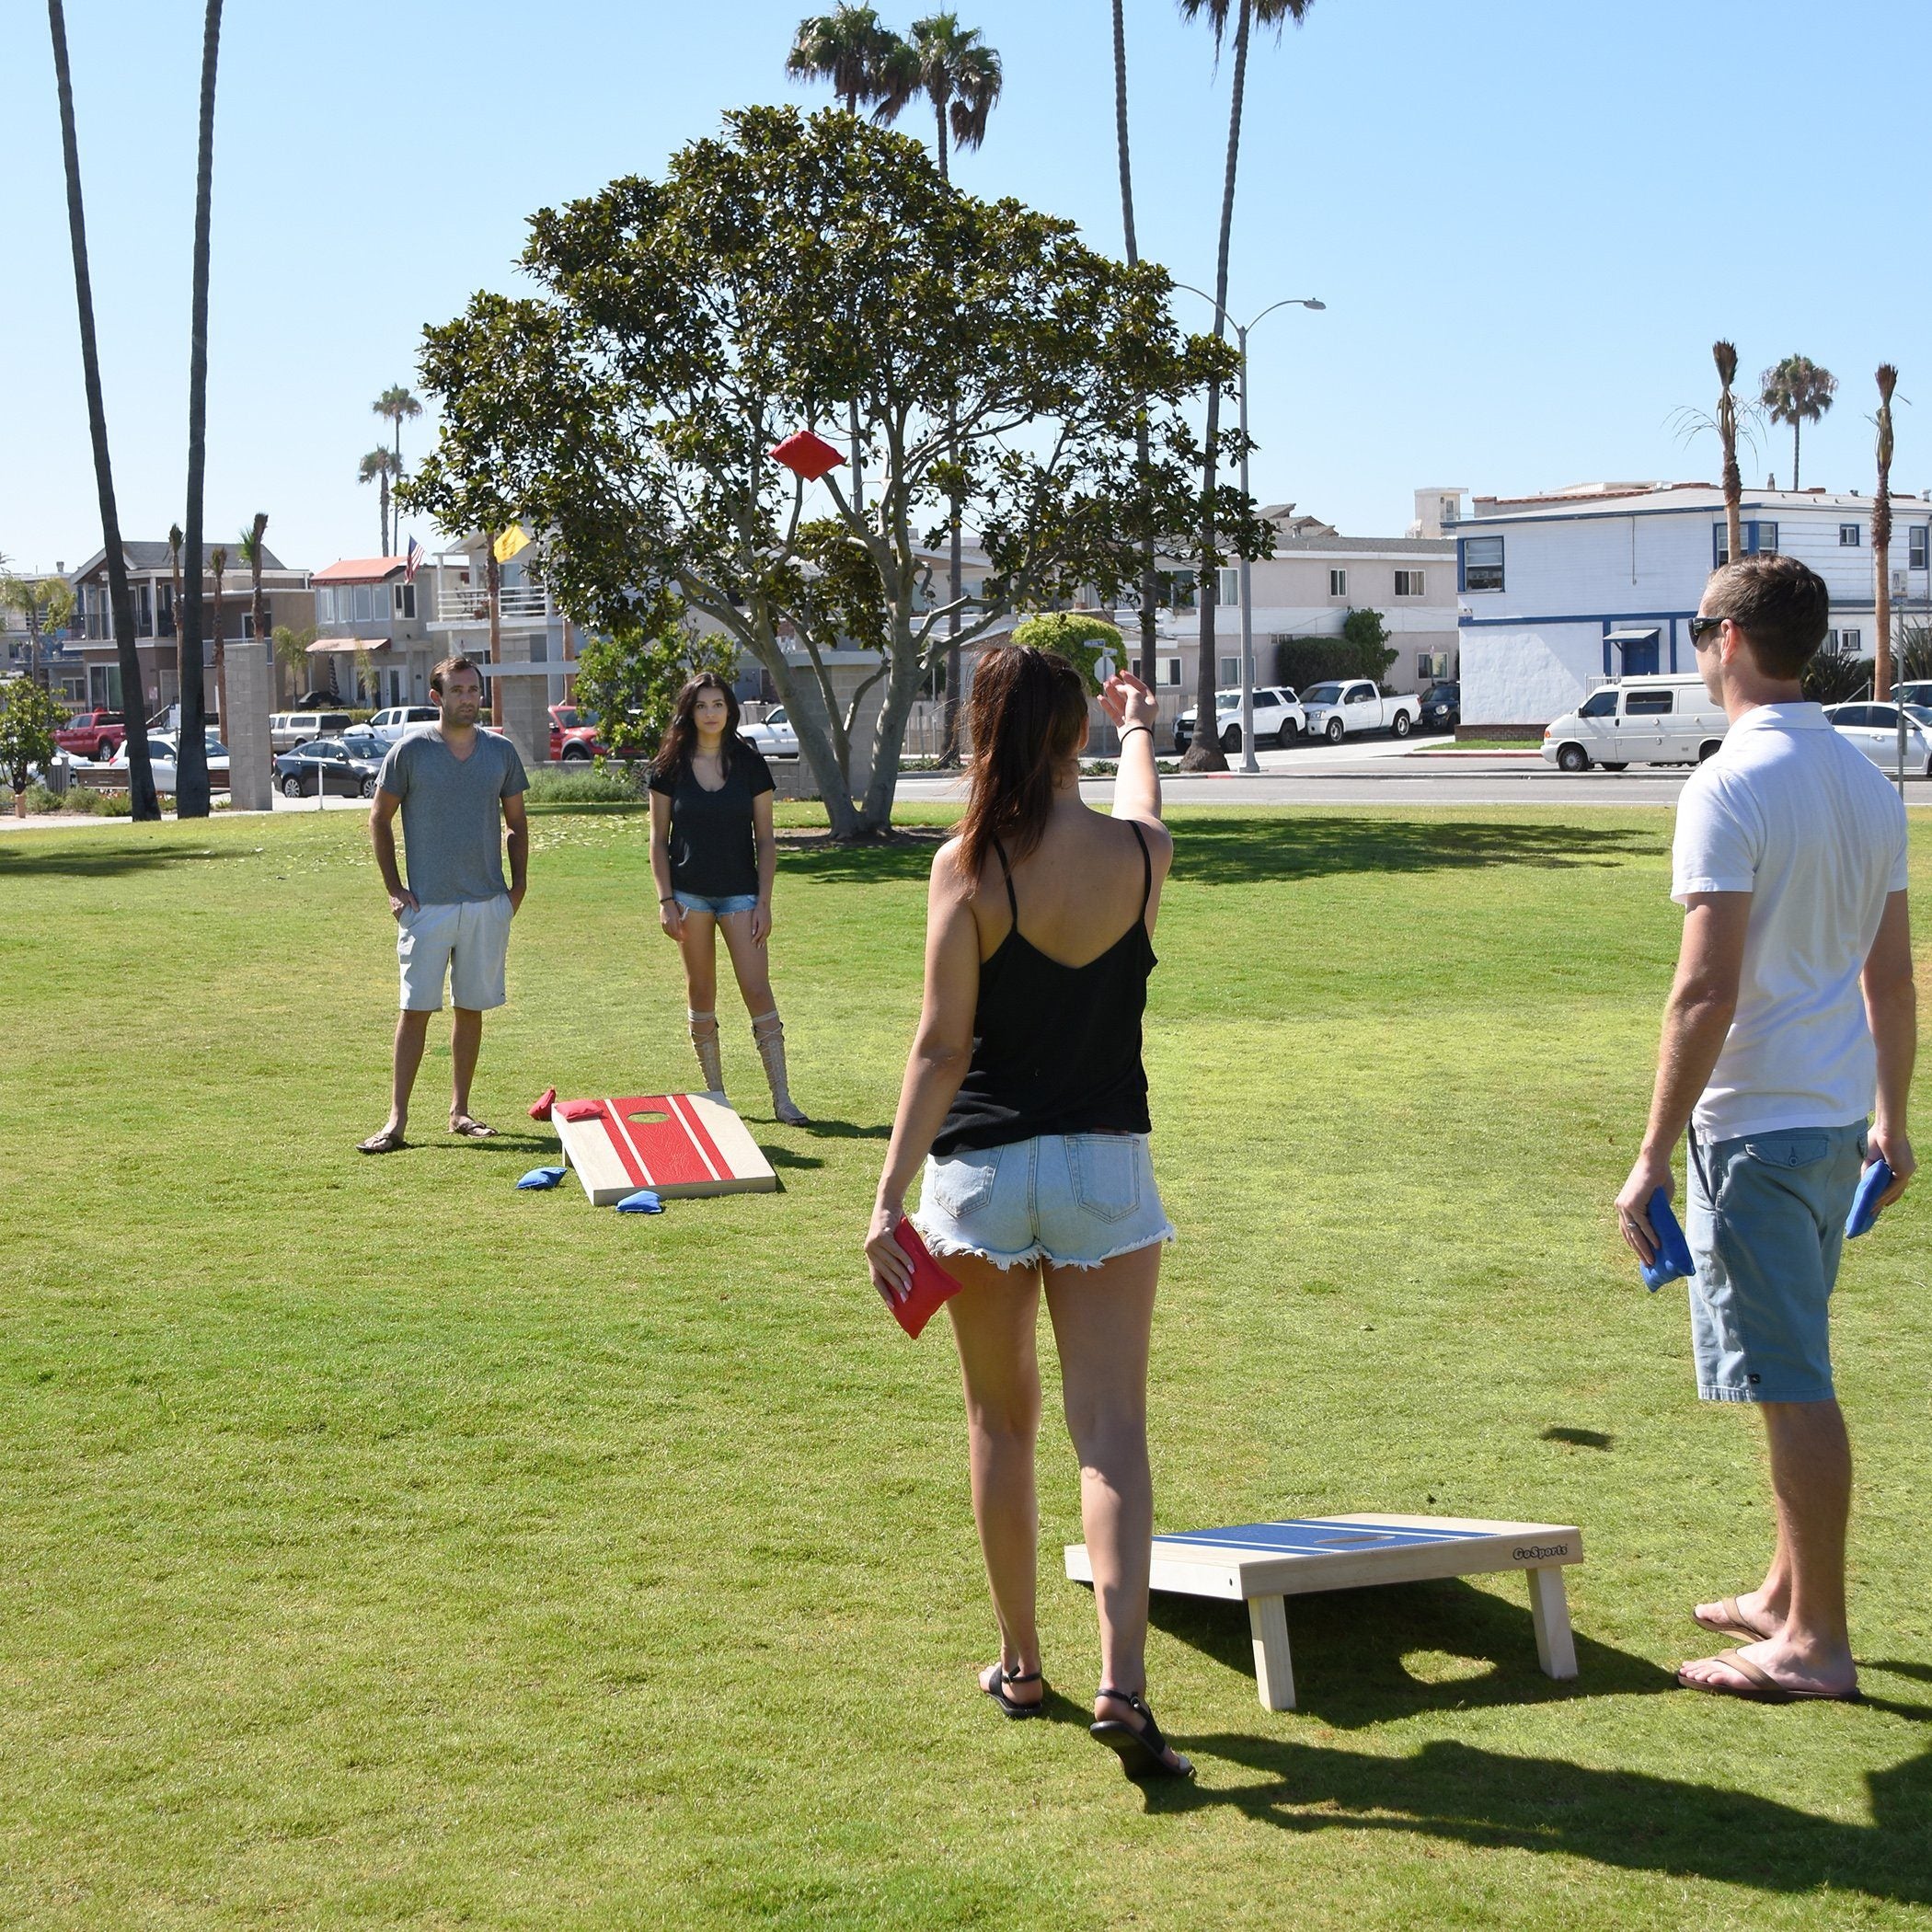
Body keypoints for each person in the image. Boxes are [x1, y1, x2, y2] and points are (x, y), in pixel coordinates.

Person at [865, 647, 1190, 1780]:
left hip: (983, 1177)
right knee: (1112, 1434)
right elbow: (1143, 806)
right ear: (1075, 736)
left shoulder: (967, 865)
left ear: (984, 733)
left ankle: (1021, 1664)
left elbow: (940, 1046)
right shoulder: (1142, 856)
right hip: (1107, 1169)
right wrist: (1141, 725)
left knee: (1001, 1426)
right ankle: (1123, 1684)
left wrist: (886, 1193)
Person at [1616, 554, 1915, 1704]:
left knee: (1793, 1383)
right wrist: (1892, 1119)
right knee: (1793, 1362)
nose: (1698, 648)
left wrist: (1650, 1156)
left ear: (1730, 639)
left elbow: (1705, 989)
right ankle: (1786, 1595)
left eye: (1699, 629)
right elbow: (1893, 979)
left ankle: (1815, 1645)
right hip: (1833, 1121)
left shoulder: (1727, 782)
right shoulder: (1864, 780)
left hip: (1756, 1127)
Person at [359, 656, 529, 1153]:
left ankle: (460, 1112)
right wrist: (395, 888)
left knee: (470, 1009)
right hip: (426, 908)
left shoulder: (500, 752)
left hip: (486, 904)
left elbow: (517, 823)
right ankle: (396, 1122)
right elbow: (379, 818)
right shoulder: (410, 752)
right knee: (415, 1010)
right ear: (437, 697)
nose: (468, 699)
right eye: (458, 690)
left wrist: (517, 889)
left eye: (474, 690)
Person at [649, 673, 806, 1124]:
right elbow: (658, 841)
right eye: (701, 705)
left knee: (757, 989)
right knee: (701, 992)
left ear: (730, 710)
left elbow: (766, 841)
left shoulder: (750, 763)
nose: (711, 713)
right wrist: (665, 901)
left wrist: (764, 902)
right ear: (689, 712)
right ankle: (717, 1100)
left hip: (742, 896)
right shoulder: (669, 766)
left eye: (718, 704)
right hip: (689, 897)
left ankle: (782, 1099)